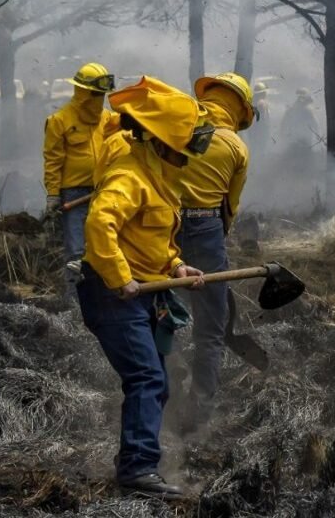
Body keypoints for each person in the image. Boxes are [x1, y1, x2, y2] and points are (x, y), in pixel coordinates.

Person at [77, 76, 215, 498]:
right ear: (162, 142)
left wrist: (175, 266)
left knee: (155, 381)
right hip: (112, 294)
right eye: (184, 146)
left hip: (144, 291)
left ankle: (134, 463)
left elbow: (149, 239)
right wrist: (121, 279)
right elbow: (99, 224)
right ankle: (138, 471)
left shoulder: (156, 175)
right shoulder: (129, 176)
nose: (188, 155)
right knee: (146, 378)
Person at [175, 72, 253, 435]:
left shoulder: (176, 129)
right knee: (209, 330)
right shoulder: (236, 147)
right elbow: (229, 208)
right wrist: (215, 239)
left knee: (162, 311)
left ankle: (168, 377)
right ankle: (200, 413)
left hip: (163, 226)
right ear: (239, 109)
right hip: (206, 228)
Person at [42, 63, 118, 265]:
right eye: (96, 93)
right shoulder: (59, 121)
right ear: (83, 92)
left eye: (102, 94)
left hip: (103, 191)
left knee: (105, 247)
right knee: (77, 251)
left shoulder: (109, 119)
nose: (100, 98)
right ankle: (74, 286)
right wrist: (53, 194)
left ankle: (100, 286)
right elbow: (53, 160)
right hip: (73, 195)